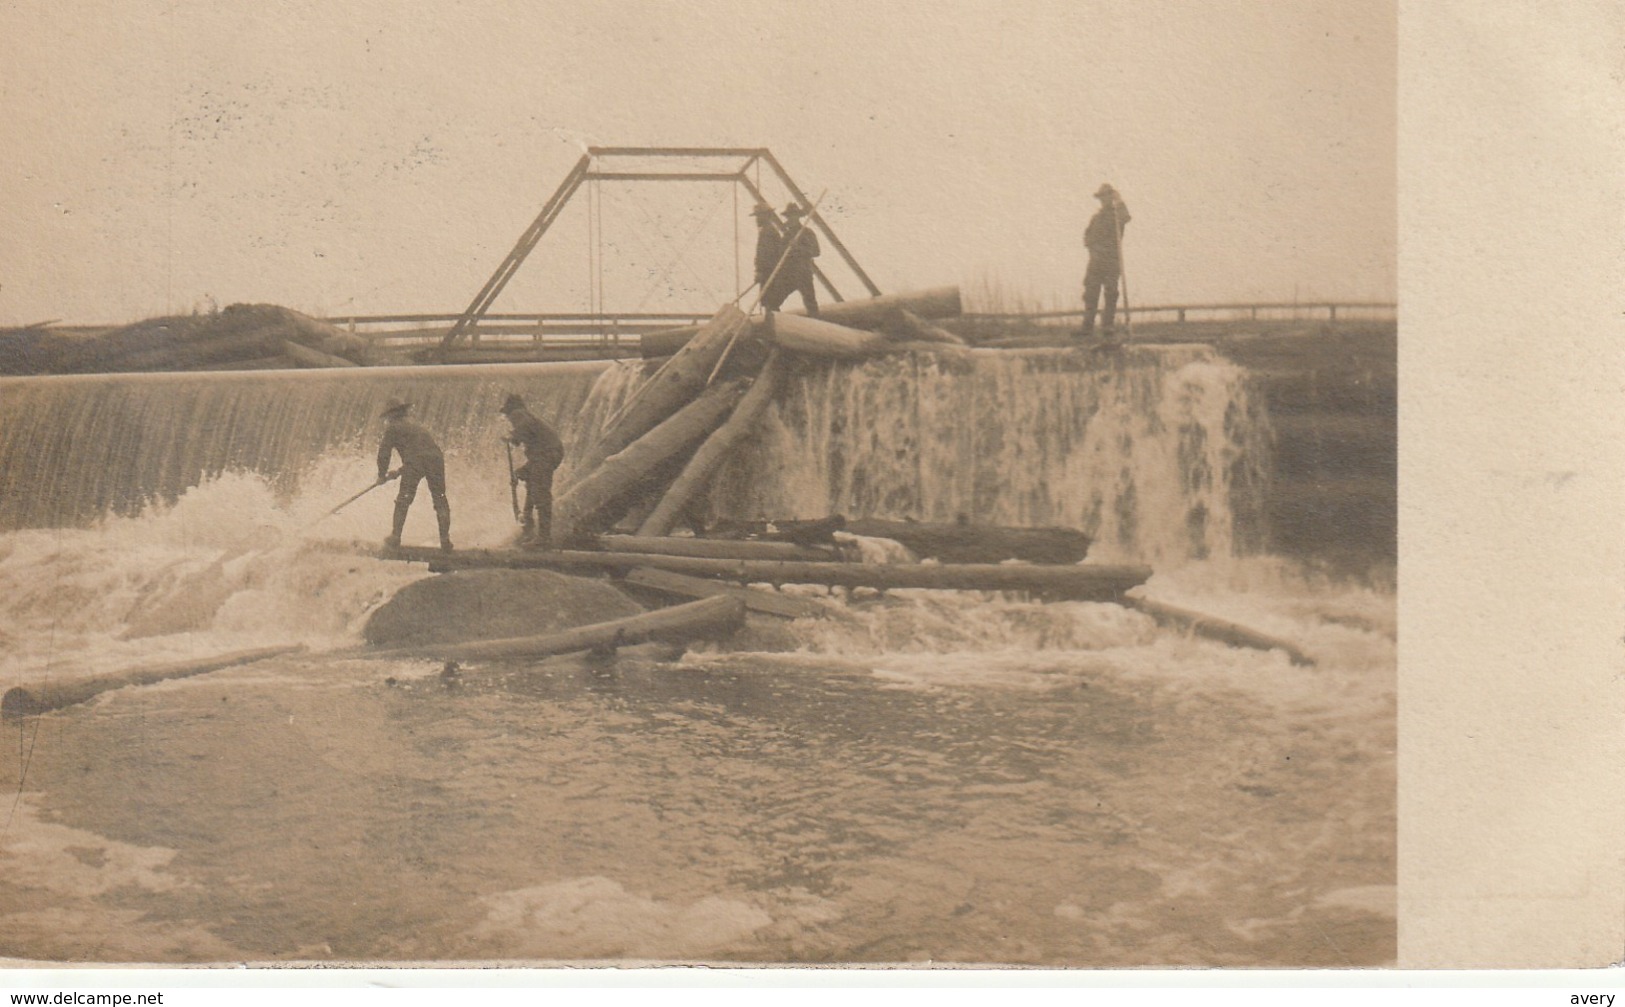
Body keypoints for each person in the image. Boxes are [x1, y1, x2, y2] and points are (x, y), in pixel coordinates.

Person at [376, 399, 453, 552]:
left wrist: (381, 474)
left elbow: (384, 453)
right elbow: (422, 453)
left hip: (416, 461)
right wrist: (399, 471)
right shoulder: (415, 425)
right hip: (436, 458)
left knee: (403, 499)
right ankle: (445, 540)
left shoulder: (392, 428)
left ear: (392, 415)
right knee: (440, 499)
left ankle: (395, 537)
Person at [500, 393, 565, 547]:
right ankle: (529, 528)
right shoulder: (527, 417)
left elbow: (524, 427)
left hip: (546, 455)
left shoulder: (519, 414)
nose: (509, 418)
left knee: (541, 493)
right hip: (543, 455)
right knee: (526, 479)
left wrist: (513, 438)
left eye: (508, 414)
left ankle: (543, 537)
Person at [1081, 183, 1131, 342]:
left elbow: (1126, 217)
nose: (1104, 200)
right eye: (1102, 197)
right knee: (1090, 293)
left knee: (1110, 293)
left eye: (1108, 196)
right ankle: (1087, 326)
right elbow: (1087, 236)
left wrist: (1120, 201)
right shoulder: (1096, 218)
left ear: (1112, 197)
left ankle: (1107, 325)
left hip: (1111, 260)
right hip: (1095, 260)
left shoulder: (1117, 216)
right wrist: (1093, 247)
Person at [761, 203, 820, 315]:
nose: (790, 218)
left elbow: (816, 252)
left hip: (804, 273)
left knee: (811, 304)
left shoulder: (807, 233)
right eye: (789, 216)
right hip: (788, 275)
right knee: (773, 303)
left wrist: (798, 248)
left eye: (793, 216)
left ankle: (818, 326)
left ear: (798, 217)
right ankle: (776, 325)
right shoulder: (787, 236)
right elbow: (780, 254)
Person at [750, 203, 782, 295]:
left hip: (768, 271)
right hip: (769, 271)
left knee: (769, 299)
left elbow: (765, 254)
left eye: (758, 216)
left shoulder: (768, 231)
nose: (757, 219)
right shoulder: (768, 230)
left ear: (766, 216)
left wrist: (760, 271)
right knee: (768, 299)